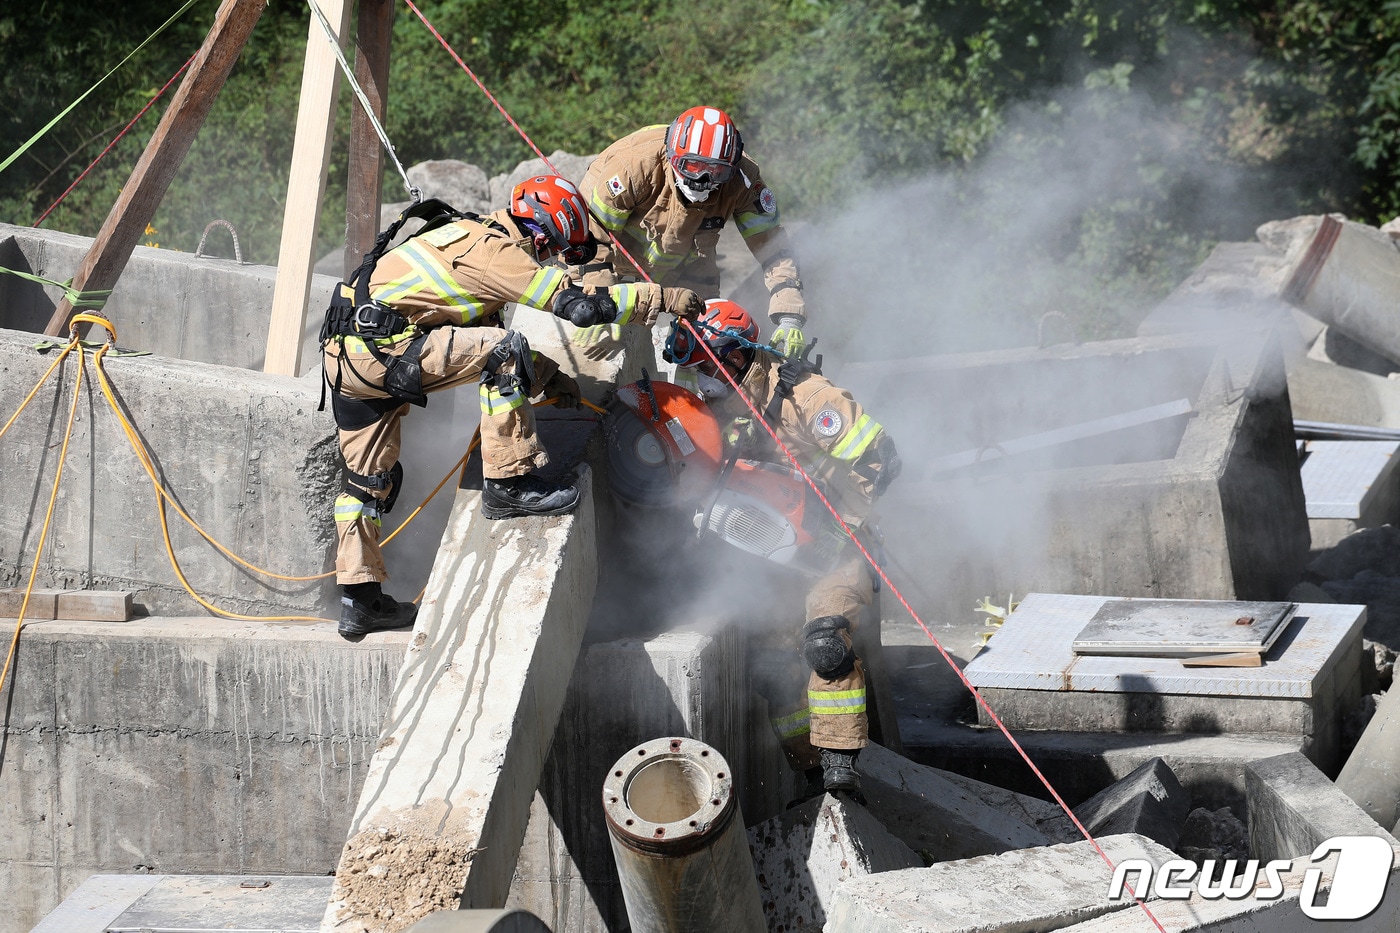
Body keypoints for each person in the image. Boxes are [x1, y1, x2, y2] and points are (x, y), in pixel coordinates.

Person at [321, 174, 704, 638]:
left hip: (347, 359)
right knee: (506, 348)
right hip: (384, 352)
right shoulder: (495, 250)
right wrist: (660, 298)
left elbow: (462, 339)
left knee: (366, 486)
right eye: (552, 249)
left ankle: (360, 601)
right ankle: (508, 484)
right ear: (541, 233)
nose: (548, 259)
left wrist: (551, 378)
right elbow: (578, 308)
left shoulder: (463, 235)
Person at [664, 299, 901, 797]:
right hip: (774, 554)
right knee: (771, 668)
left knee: (824, 640)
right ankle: (809, 771)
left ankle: (841, 766)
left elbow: (881, 457)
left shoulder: (806, 397)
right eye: (695, 369)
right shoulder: (718, 408)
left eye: (708, 365)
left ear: (737, 355)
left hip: (837, 548)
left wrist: (846, 522)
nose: (702, 379)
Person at [573, 106, 810, 359]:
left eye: (716, 171)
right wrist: (600, 298)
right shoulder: (633, 167)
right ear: (672, 156)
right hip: (618, 251)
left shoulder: (743, 179)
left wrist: (789, 315)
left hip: (690, 257)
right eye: (692, 166)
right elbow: (593, 237)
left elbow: (773, 248)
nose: (703, 180)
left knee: (704, 329)